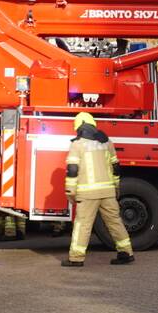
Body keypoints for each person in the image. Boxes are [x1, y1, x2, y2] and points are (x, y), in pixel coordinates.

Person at [62, 112, 134, 267]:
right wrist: (116, 187)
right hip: (107, 191)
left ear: (80, 127)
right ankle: (126, 253)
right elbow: (116, 168)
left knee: (83, 225)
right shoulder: (107, 142)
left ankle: (76, 258)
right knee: (115, 222)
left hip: (88, 194)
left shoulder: (77, 144)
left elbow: (73, 170)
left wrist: (70, 191)